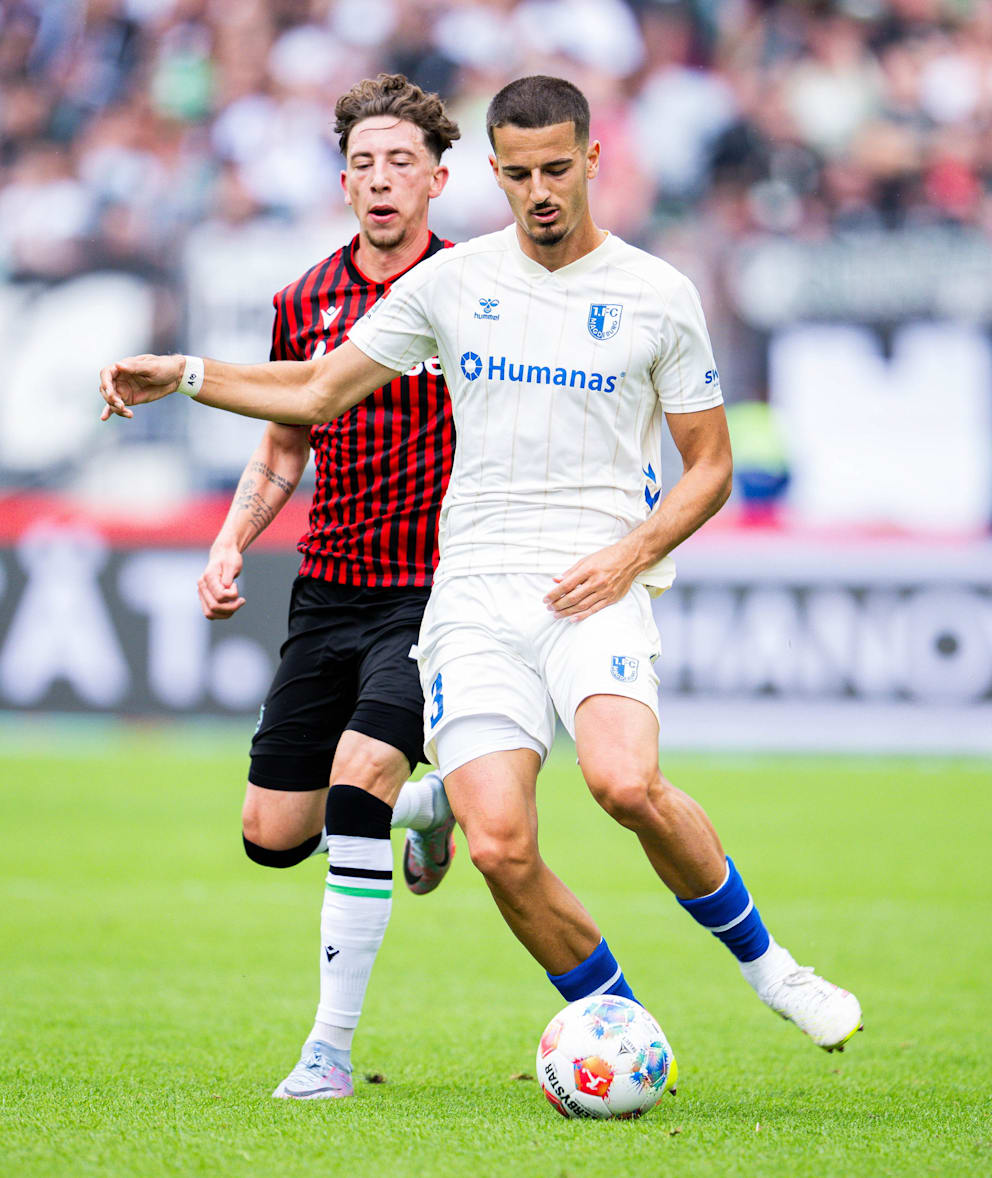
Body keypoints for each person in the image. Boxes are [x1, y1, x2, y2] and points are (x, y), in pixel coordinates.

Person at [100, 75, 863, 1084]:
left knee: (623, 782)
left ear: (592, 161)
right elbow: (317, 391)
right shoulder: (452, 286)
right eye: (520, 174)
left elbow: (710, 467)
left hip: (592, 581)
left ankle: (774, 971)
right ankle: (620, 1025)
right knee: (498, 846)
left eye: (557, 169)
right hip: (469, 593)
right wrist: (186, 373)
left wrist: (630, 552)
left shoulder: (656, 293)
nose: (540, 191)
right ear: (494, 174)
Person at [194, 74, 464, 1100]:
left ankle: (328, 1052)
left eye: (401, 162)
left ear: (436, 180)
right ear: (343, 182)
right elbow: (283, 442)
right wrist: (230, 541)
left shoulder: (473, 292)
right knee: (273, 836)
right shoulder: (303, 301)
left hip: (436, 591)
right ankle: (425, 805)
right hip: (328, 586)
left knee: (357, 774)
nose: (381, 179)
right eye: (363, 163)